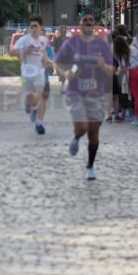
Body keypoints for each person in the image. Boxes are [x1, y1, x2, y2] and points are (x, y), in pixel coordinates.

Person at [55, 13, 114, 180]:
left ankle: (90, 166)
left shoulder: (102, 45)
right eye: (84, 21)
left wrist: (103, 65)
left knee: (94, 134)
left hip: (96, 93)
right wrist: (65, 72)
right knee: (83, 128)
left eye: (91, 20)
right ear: (80, 25)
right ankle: (75, 137)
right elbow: (57, 62)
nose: (88, 23)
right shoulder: (71, 43)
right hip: (76, 93)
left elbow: (112, 70)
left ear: (94, 25)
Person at [12, 15, 49, 135]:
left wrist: (45, 59)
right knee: (29, 96)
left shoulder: (44, 40)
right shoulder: (24, 40)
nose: (33, 29)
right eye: (31, 26)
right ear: (29, 28)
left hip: (39, 72)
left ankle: (39, 123)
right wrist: (24, 51)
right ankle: (30, 106)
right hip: (26, 73)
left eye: (36, 26)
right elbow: (11, 52)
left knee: (40, 95)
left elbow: (43, 52)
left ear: (40, 27)